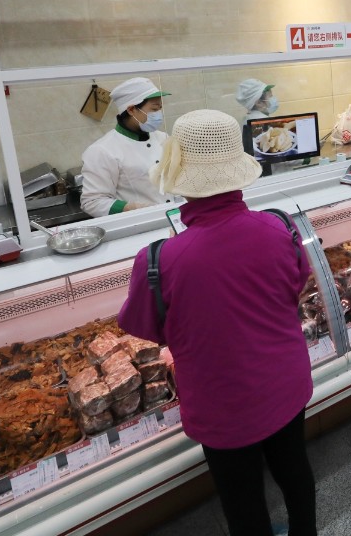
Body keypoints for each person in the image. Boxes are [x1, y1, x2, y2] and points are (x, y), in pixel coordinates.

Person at [118, 109, 316, 536]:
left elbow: (147, 328)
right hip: (286, 381)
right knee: (294, 469)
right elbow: (296, 285)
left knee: (242, 500)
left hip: (222, 403)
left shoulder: (159, 260)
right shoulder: (280, 227)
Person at [80, 77, 175, 218]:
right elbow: (92, 202)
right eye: (154, 109)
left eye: (160, 108)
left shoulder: (163, 138)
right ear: (131, 110)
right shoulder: (102, 151)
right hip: (140, 223)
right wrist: (128, 208)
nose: (159, 114)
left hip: (175, 218)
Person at [237, 77, 278, 175]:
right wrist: (304, 159)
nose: (274, 99)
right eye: (270, 96)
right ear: (259, 102)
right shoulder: (263, 122)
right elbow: (276, 157)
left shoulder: (248, 119)